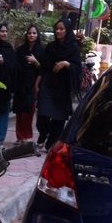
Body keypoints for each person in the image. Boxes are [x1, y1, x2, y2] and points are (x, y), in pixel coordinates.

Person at [35, 19, 82, 151]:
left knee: (58, 118)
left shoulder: (73, 48)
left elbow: (78, 68)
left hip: (63, 87)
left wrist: (66, 64)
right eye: (56, 29)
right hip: (48, 84)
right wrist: (37, 84)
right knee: (42, 114)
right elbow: (43, 67)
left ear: (67, 30)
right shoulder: (51, 47)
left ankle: (51, 142)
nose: (58, 31)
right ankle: (43, 134)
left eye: (61, 29)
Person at [12, 24, 44, 143]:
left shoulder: (41, 51)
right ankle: (19, 137)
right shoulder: (20, 49)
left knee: (28, 112)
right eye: (29, 33)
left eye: (34, 33)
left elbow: (43, 69)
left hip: (33, 84)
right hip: (20, 84)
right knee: (19, 112)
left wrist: (35, 61)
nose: (31, 35)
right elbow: (15, 66)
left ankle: (25, 136)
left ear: (37, 35)